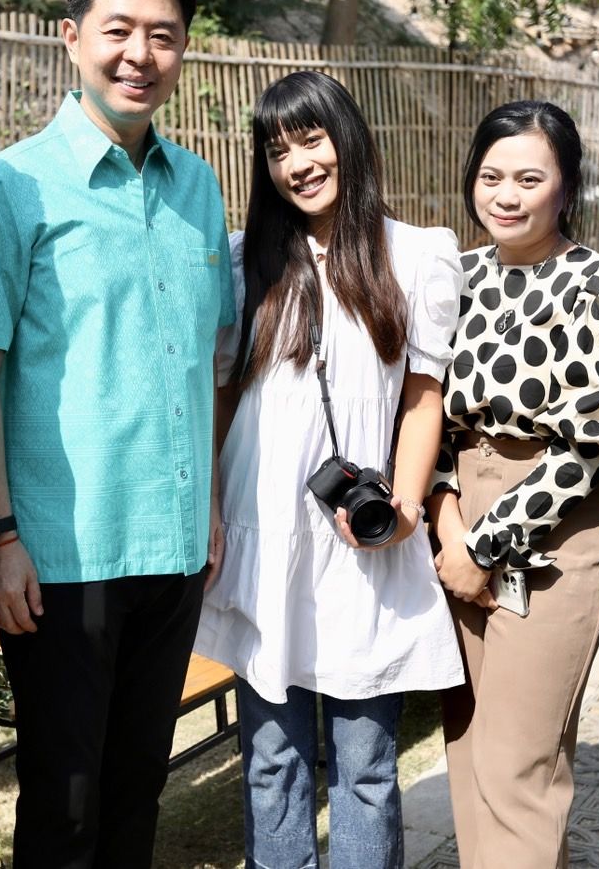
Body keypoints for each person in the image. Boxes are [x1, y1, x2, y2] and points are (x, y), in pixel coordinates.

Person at [0, 0, 233, 868]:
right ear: (72, 37)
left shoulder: (198, 187)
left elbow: (206, 362)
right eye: (119, 30)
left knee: (138, 790)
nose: (139, 55)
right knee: (66, 803)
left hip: (175, 547)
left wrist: (210, 502)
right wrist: (0, 536)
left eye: (164, 35)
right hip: (61, 556)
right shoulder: (12, 185)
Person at [194, 70, 465, 869]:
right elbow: (220, 396)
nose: (297, 165)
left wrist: (404, 509)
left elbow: (423, 398)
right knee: (271, 761)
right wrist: (211, 505)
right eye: (277, 151)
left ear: (347, 138)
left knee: (366, 770)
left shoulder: (416, 255)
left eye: (311, 140)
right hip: (264, 541)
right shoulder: (245, 261)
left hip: (363, 546)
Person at [428, 99, 599, 869]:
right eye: (491, 176)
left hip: (554, 526)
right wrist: (448, 524)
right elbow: (429, 415)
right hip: (459, 516)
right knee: (470, 746)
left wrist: (483, 546)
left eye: (529, 179)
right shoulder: (455, 277)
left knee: (518, 765)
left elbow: (591, 448)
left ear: (566, 187)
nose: (506, 195)